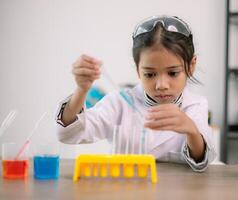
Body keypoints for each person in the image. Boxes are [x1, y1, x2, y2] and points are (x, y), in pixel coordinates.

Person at [55, 15, 216, 172]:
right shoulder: (120, 102)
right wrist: (82, 90)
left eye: (173, 73)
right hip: (127, 189)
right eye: (150, 74)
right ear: (138, 69)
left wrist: (191, 130)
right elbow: (69, 133)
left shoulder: (195, 105)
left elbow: (201, 160)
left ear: (191, 65)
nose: (161, 85)